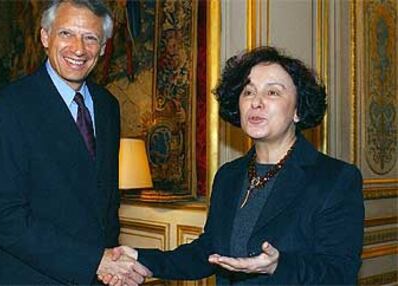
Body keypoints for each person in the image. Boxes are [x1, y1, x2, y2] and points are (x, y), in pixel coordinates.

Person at [99, 46, 365, 285]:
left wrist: (279, 266)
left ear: (298, 109)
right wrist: (141, 258)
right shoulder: (229, 175)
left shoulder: (336, 179)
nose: (256, 101)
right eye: (248, 91)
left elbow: (340, 272)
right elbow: (208, 253)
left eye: (272, 92)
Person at [0, 0, 151, 284]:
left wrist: (111, 267)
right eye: (66, 34)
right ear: (45, 37)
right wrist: (93, 261)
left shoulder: (107, 105)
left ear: (102, 48)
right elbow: (1, 217)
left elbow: (107, 201)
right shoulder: (7, 107)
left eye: (90, 38)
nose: (78, 48)